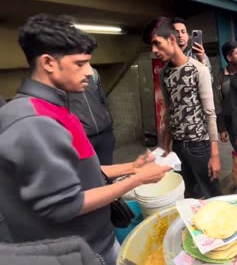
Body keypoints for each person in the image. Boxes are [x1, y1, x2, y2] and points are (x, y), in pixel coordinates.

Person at [0, 14, 171, 265]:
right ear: (48, 62)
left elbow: (77, 173)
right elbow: (66, 205)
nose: (89, 72)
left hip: (96, 240)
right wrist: (137, 180)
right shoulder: (34, 122)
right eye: (80, 64)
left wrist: (131, 167)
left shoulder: (55, 109)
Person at [143, 17, 221, 199]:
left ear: (171, 39)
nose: (154, 51)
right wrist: (164, 147)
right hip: (178, 146)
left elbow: (210, 114)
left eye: (157, 43)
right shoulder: (164, 74)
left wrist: (215, 154)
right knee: (187, 195)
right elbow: (169, 111)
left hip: (200, 147)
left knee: (212, 195)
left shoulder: (198, 70)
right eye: (151, 46)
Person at [69, 68, 115, 165]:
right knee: (89, 175)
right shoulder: (59, 78)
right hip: (82, 137)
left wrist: (109, 122)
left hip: (104, 134)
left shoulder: (92, 73)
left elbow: (102, 99)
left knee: (108, 174)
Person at [213, 41, 237, 148]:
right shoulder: (220, 78)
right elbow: (217, 104)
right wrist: (222, 128)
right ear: (229, 58)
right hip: (231, 123)